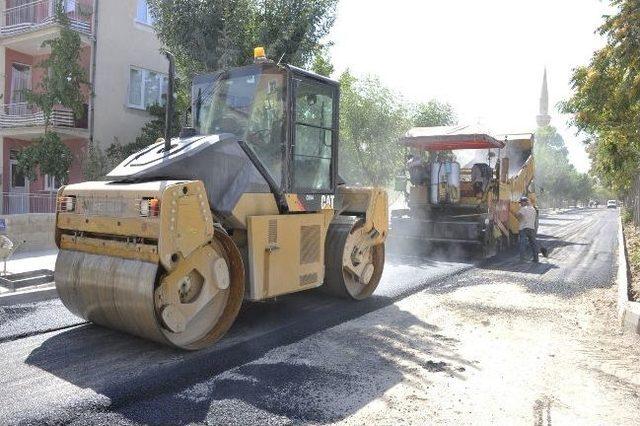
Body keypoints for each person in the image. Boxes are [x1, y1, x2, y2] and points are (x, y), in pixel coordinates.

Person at [516, 196, 539, 262]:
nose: (520, 204)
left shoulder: (523, 209)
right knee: (533, 243)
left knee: (522, 244)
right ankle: (536, 258)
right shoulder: (533, 209)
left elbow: (518, 216)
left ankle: (522, 259)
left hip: (523, 228)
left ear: (524, 202)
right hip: (531, 228)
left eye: (521, 203)